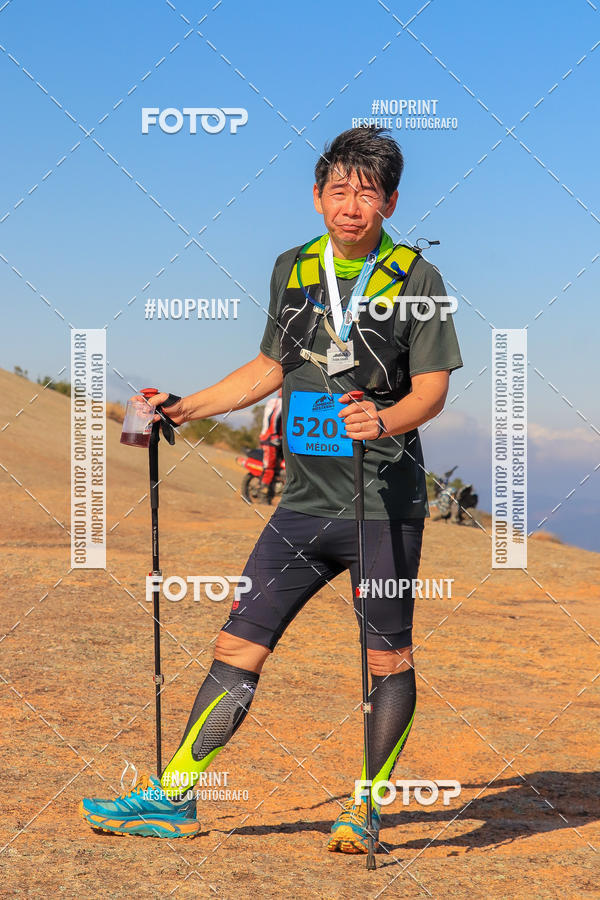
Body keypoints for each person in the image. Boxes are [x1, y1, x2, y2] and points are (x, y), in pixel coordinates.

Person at [80, 126, 463, 853]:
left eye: (369, 192)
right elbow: (270, 366)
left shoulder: (417, 279)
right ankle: (174, 799)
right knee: (236, 644)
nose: (353, 205)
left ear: (391, 201)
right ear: (318, 194)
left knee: (387, 659)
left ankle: (366, 809)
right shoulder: (293, 268)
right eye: (340, 190)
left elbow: (434, 389)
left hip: (380, 505)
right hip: (301, 506)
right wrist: (188, 406)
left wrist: (383, 419)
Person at [258, 388, 283, 503]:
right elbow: (273, 419)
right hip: (270, 439)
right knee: (269, 468)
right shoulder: (282, 402)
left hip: (271, 438)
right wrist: (274, 435)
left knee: (280, 466)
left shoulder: (272, 401)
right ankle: (263, 495)